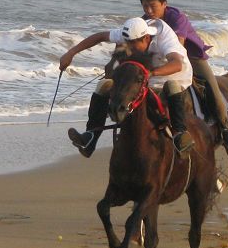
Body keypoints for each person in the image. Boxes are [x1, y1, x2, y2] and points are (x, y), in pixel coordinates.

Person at [59, 17, 195, 158]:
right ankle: (90, 137)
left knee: (172, 86)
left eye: (133, 44)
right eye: (127, 43)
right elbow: (99, 37)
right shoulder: (130, 33)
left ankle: (180, 135)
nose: (129, 47)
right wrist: (71, 53)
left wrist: (151, 73)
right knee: (104, 85)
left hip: (173, 75)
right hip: (143, 77)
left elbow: (177, 64)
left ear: (146, 38)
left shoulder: (164, 37)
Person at [139, 0, 228, 146]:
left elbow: (178, 45)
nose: (149, 11)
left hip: (191, 57)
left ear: (164, 4)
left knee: (211, 87)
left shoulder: (176, 17)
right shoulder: (144, 22)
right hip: (161, 58)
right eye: (145, 6)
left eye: (153, 6)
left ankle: (225, 127)